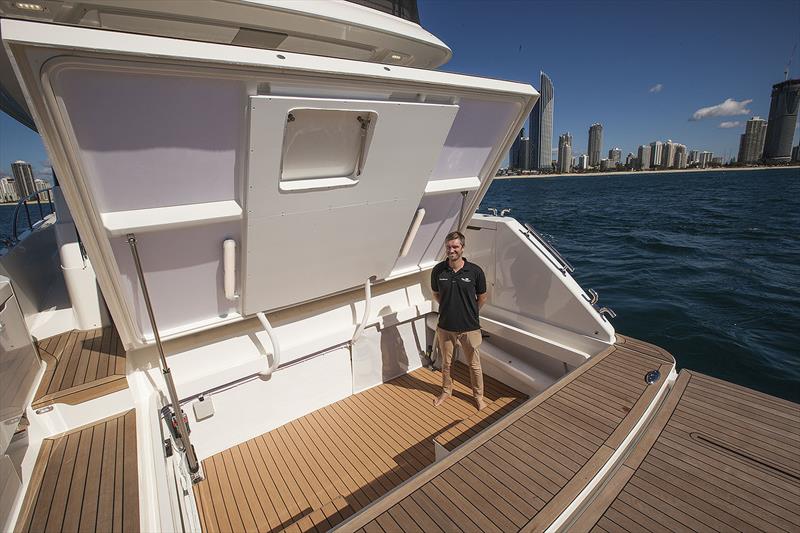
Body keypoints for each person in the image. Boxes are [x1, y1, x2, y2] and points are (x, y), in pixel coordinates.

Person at [431, 231, 488, 410]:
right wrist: (451, 309)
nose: (451, 250)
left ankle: (478, 397)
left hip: (469, 327)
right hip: (445, 326)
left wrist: (469, 312)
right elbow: (436, 294)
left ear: (462, 248)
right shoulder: (438, 271)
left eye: (455, 246)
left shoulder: (475, 272)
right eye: (449, 247)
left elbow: (482, 297)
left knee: (474, 365)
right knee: (446, 363)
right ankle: (446, 391)